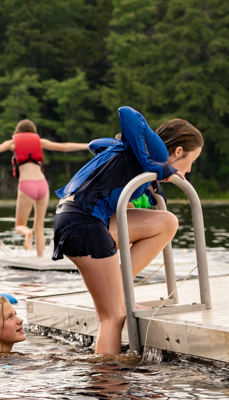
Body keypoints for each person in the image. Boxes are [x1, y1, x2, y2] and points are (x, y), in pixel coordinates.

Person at [54, 107, 203, 354]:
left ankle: (119, 289)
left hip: (77, 220)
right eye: (192, 161)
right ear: (178, 152)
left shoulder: (140, 157)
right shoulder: (153, 152)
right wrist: (156, 166)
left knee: (167, 222)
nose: (189, 170)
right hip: (83, 223)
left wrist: (147, 172)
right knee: (113, 317)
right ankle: (108, 386)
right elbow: (127, 113)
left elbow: (95, 145)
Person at [0, 120, 90, 256]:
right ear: (33, 131)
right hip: (43, 185)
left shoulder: (13, 143)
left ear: (18, 132)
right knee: (39, 227)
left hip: (27, 186)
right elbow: (64, 147)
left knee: (20, 225)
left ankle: (27, 233)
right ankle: (40, 258)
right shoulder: (40, 141)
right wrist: (89, 145)